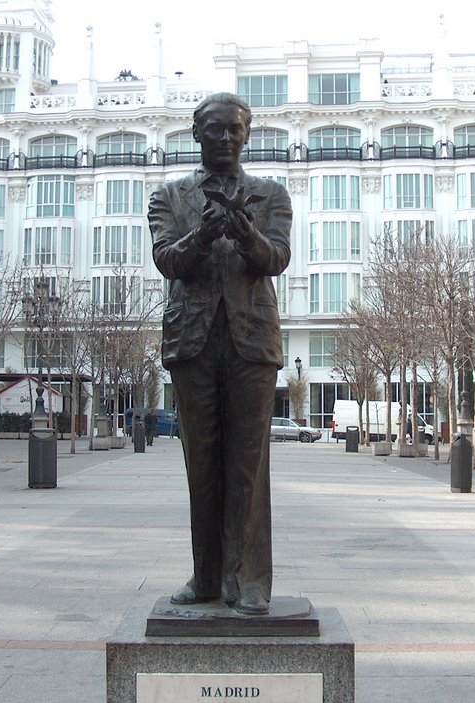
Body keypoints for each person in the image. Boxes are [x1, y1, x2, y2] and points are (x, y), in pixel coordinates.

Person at [149, 92, 292, 616]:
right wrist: (204, 236)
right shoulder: (170, 197)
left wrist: (245, 231)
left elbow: (276, 258)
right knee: (202, 466)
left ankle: (250, 580)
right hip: (192, 342)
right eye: (215, 129)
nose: (226, 138)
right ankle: (207, 576)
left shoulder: (270, 194)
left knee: (249, 464)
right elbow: (168, 260)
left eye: (235, 129)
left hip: (251, 342)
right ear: (197, 134)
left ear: (247, 134)